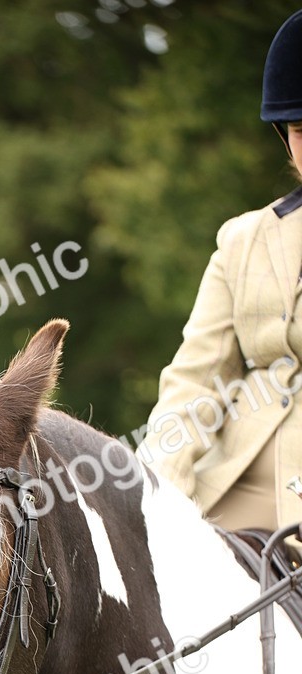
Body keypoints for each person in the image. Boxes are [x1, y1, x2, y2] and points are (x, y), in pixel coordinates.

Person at [139, 9, 302, 541]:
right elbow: (196, 381)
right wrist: (151, 497)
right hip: (234, 490)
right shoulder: (244, 239)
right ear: (284, 136)